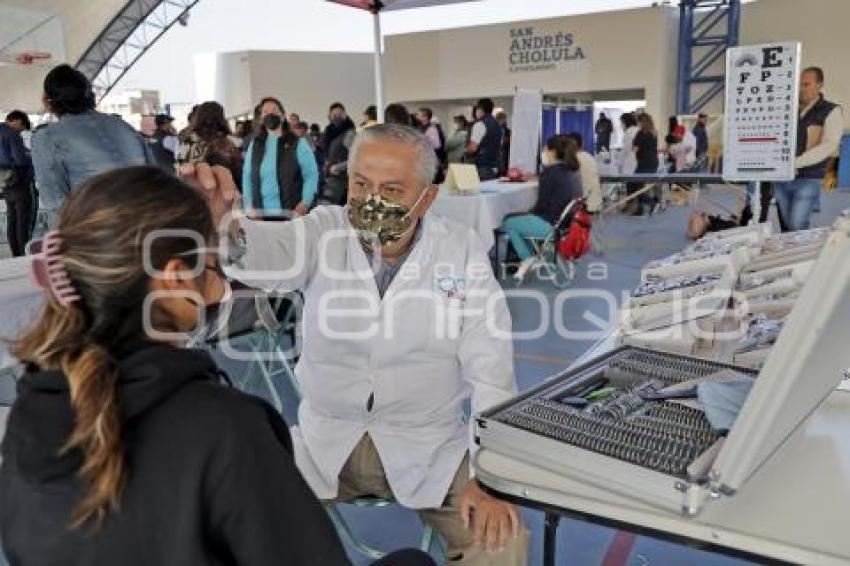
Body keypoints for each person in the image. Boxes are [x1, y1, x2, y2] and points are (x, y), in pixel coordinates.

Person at [0, 165, 434, 566]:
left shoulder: (30, 414)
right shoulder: (223, 430)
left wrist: (215, 231)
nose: (220, 286)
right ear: (172, 278)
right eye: (211, 265)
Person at [223, 124, 529, 565]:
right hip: (325, 441)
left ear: (427, 198)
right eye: (361, 184)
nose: (372, 201)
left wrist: (491, 475)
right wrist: (226, 225)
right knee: (231, 514)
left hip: (428, 446)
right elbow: (265, 249)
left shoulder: (460, 252)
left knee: (502, 539)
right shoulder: (324, 231)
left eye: (391, 189)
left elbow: (491, 368)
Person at [30, 64, 154, 214]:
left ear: (47, 102)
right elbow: (154, 176)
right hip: (146, 221)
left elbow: (55, 200)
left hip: (97, 227)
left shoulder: (47, 137)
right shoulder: (124, 126)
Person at [774, 66, 843, 232]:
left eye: (806, 84)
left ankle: (802, 254)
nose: (801, 89)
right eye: (799, 85)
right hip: (781, 178)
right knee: (786, 226)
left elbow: (829, 145)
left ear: (819, 85)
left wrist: (796, 163)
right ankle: (792, 256)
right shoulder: (788, 110)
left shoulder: (831, 110)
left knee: (797, 224)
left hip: (810, 178)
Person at [502, 135, 583, 260]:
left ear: (553, 152)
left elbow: (542, 207)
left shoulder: (550, 172)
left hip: (550, 226)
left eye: (545, 149)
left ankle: (527, 258)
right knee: (518, 219)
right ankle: (531, 254)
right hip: (567, 225)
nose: (543, 153)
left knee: (507, 222)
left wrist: (527, 214)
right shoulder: (572, 170)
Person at [241, 97, 318, 218]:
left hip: (291, 212)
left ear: (282, 116)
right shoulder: (255, 145)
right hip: (261, 215)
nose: (270, 114)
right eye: (265, 112)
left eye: (274, 110)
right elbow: (247, 176)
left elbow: (311, 175)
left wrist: (305, 203)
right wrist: (249, 205)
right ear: (261, 118)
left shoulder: (298, 143)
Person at [176, 101, 243, 193]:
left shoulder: (188, 141)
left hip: (197, 193)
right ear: (221, 118)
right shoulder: (233, 142)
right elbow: (241, 169)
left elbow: (180, 166)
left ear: (198, 117)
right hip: (229, 191)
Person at [0, 110, 34, 256]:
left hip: (4, 182)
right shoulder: (12, 135)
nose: (21, 131)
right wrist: (31, 157)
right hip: (18, 182)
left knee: (11, 219)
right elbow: (20, 160)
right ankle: (22, 255)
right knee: (22, 222)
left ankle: (15, 254)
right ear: (16, 121)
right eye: (21, 127)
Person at [320, 102, 356, 205]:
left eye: (339, 114)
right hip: (330, 179)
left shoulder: (349, 133)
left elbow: (356, 158)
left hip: (342, 181)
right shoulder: (328, 133)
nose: (336, 116)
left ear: (344, 115)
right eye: (334, 114)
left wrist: (337, 167)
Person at [628, 113, 660, 216]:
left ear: (641, 122)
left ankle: (650, 203)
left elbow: (634, 148)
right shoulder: (654, 132)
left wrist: (633, 146)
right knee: (641, 185)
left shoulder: (641, 133)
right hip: (653, 162)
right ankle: (644, 206)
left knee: (635, 184)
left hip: (644, 163)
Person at [466, 98, 503, 181]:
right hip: (496, 166)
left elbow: (473, 148)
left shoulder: (480, 124)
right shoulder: (497, 125)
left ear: (480, 109)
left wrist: (466, 152)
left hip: (482, 167)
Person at [564, 131, 602, 213]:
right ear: (582, 144)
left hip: (583, 207)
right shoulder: (590, 157)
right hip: (595, 203)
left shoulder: (572, 160)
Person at [416, 108, 447, 182]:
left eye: (419, 115)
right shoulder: (421, 128)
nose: (417, 117)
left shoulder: (431, 129)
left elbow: (437, 145)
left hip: (432, 160)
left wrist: (423, 141)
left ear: (425, 117)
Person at [495, 111, 512, 176]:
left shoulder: (507, 130)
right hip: (499, 156)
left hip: (504, 155)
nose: (504, 120)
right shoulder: (496, 129)